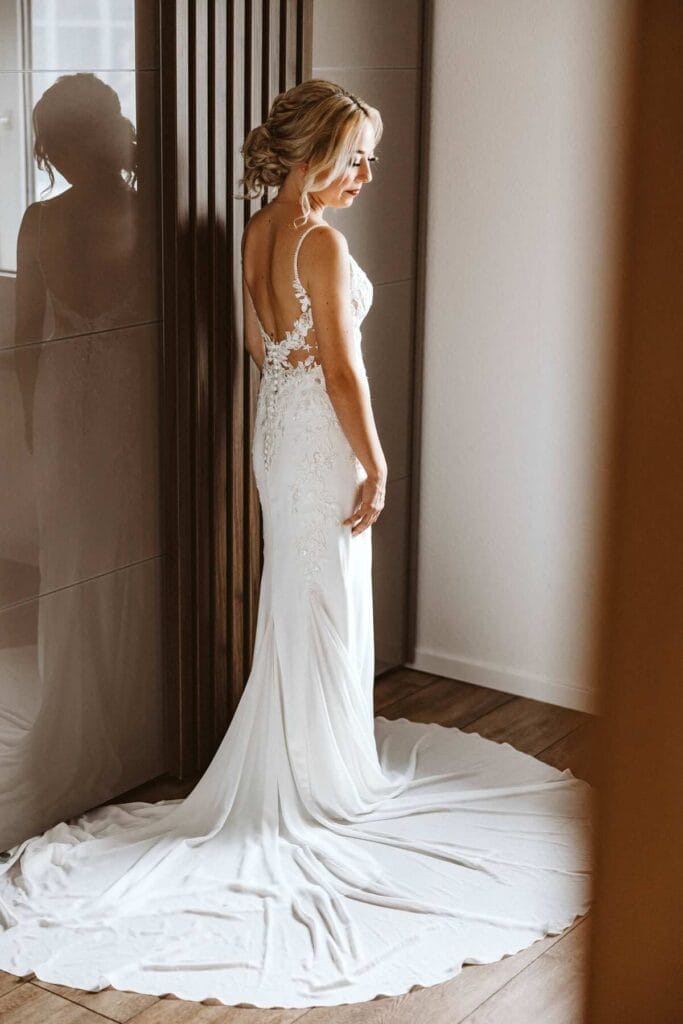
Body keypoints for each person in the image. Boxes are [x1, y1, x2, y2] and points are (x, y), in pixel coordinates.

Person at [0, 80, 594, 1010]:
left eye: (369, 156)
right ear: (312, 151)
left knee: (302, 595)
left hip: (278, 430)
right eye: (353, 154)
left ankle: (312, 759)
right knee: (325, 599)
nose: (364, 172)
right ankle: (319, 778)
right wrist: (377, 460)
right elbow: (346, 371)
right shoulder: (320, 239)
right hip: (319, 434)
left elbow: (259, 343)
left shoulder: (259, 230)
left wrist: (296, 386)